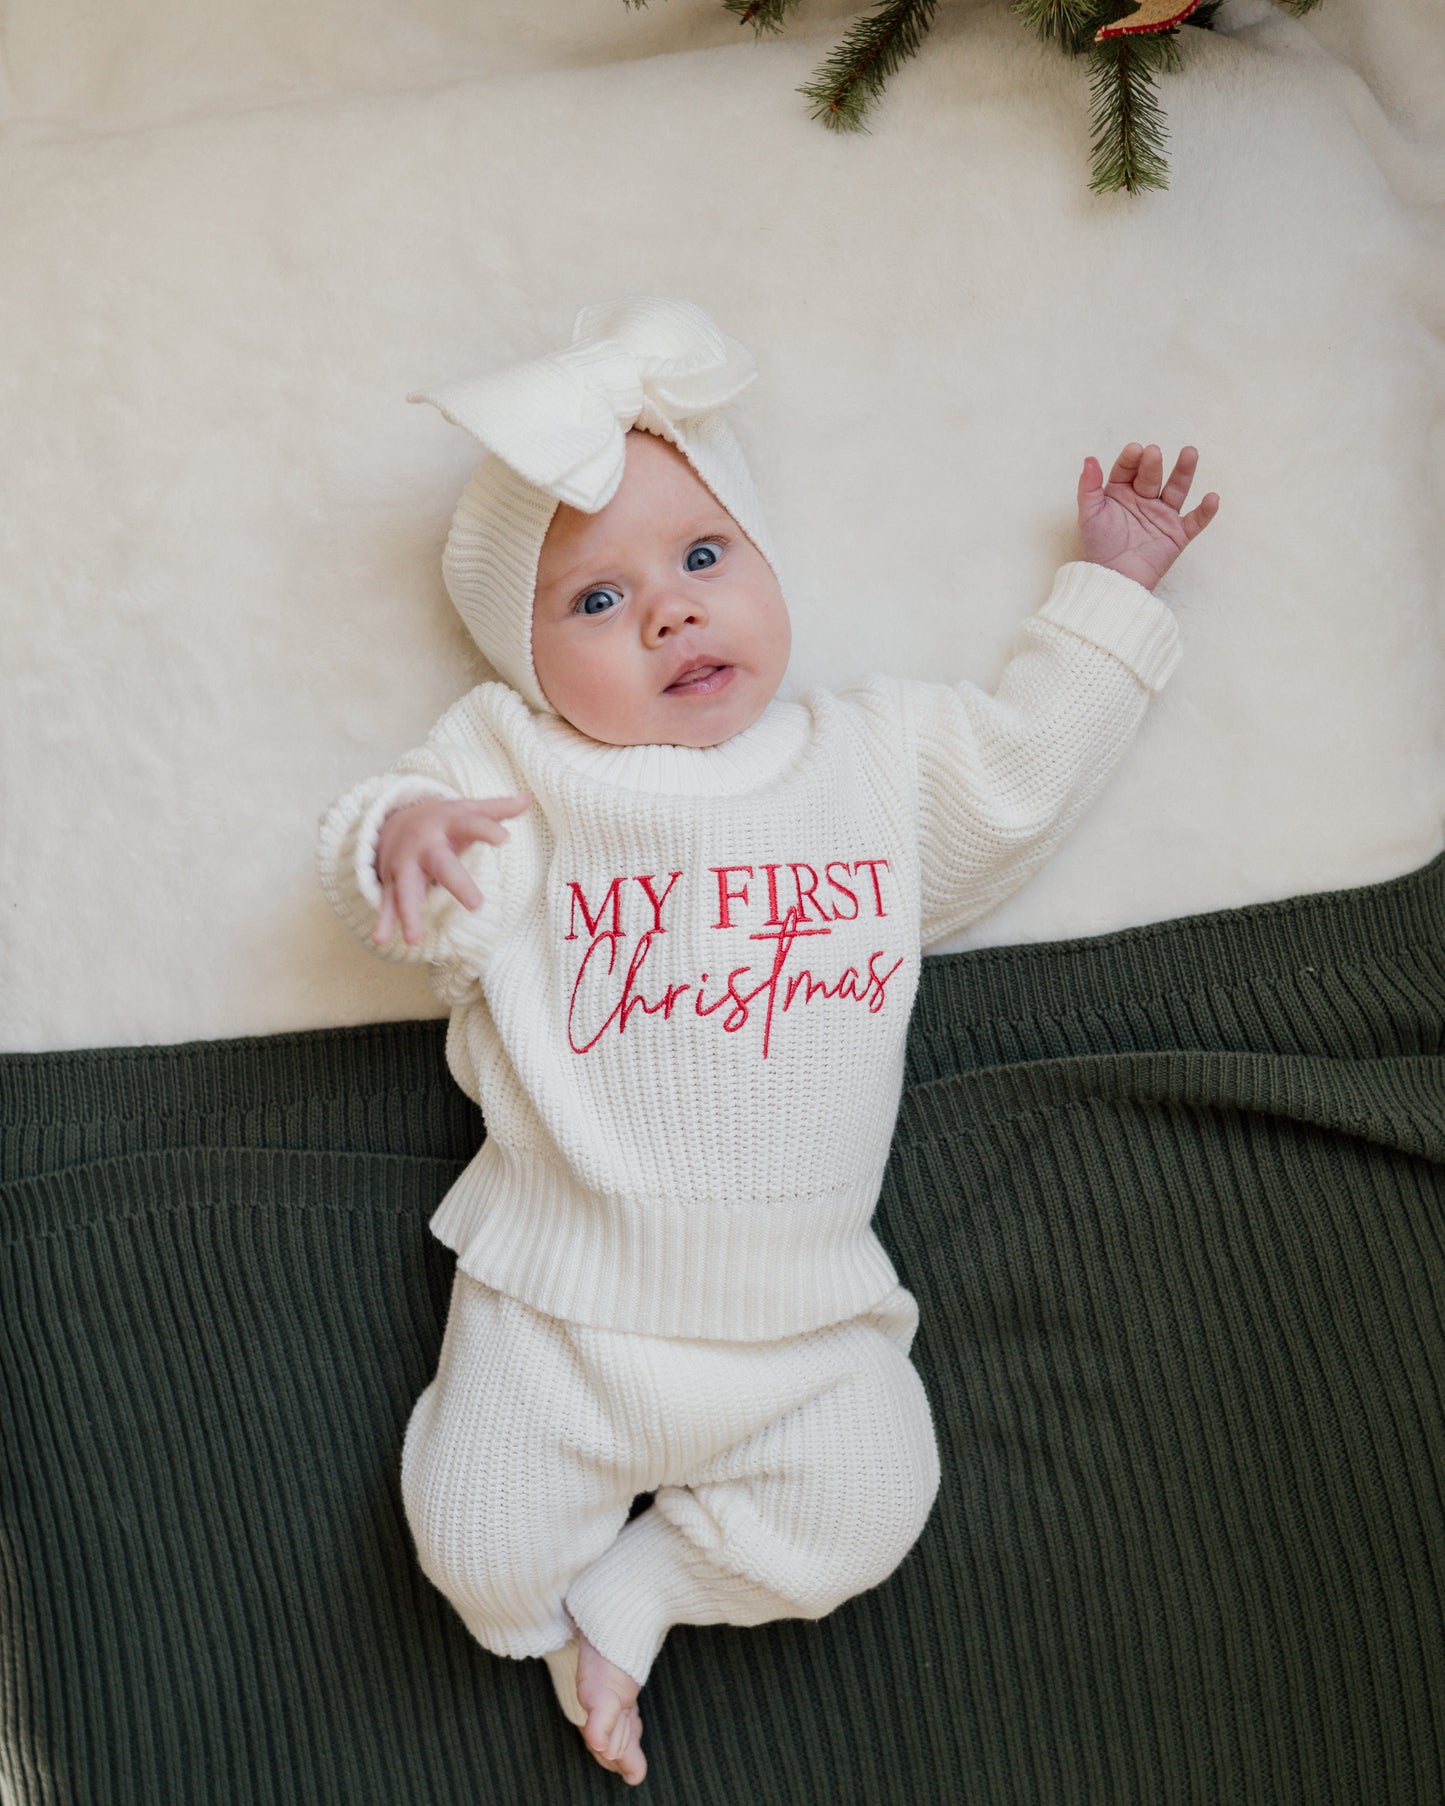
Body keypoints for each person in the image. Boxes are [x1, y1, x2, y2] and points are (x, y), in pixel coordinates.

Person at [316, 295, 1219, 1785]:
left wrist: (1110, 593)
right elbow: (426, 891)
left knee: (871, 1501)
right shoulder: (519, 764)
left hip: (804, 1318)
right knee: (474, 1554)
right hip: (561, 1304)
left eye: (701, 556)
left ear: (763, 565)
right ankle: (549, 1613)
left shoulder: (867, 758)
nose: (667, 607)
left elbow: (1020, 775)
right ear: (527, 663)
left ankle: (638, 1596)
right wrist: (402, 839)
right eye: (593, 601)